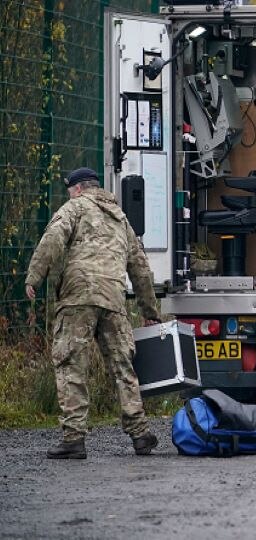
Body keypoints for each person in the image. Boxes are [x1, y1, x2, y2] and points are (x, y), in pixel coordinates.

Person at [25, 167, 161, 459]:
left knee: (71, 363)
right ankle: (140, 434)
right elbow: (140, 267)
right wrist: (150, 310)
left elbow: (52, 240)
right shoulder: (121, 219)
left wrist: (34, 277)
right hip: (113, 298)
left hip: (78, 298)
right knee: (123, 366)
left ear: (76, 189)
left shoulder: (74, 207)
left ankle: (74, 438)